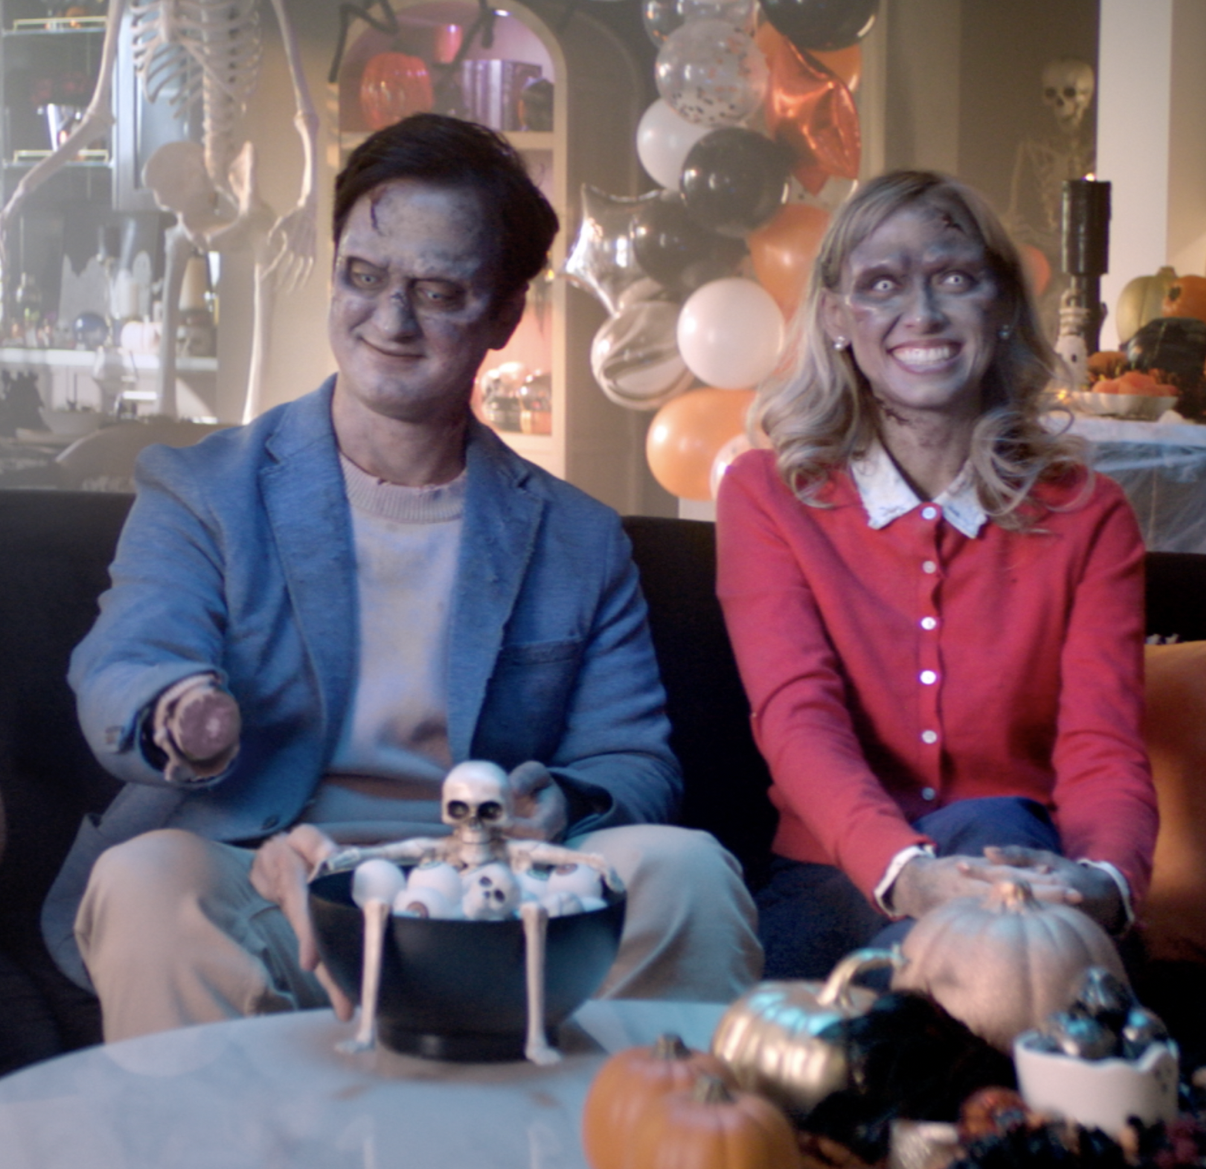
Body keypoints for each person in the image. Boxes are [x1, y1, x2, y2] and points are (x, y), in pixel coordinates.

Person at [47, 113, 760, 1039]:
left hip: (486, 894)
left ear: (505, 312)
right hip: (271, 872)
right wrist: (180, 712)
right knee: (147, 882)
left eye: (437, 290)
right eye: (364, 276)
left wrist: (555, 804)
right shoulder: (204, 490)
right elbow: (127, 662)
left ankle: (651, 1160)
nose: (390, 320)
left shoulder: (576, 539)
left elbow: (632, 761)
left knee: (689, 869)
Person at [714, 170, 1157, 980]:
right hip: (834, 875)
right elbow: (797, 717)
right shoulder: (766, 495)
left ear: (1002, 306)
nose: (921, 313)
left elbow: (1103, 744)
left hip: (1018, 869)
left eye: (955, 278)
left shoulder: (1089, 515)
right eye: (881, 285)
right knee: (783, 1052)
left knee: (991, 911)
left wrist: (1102, 882)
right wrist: (907, 872)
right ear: (837, 318)